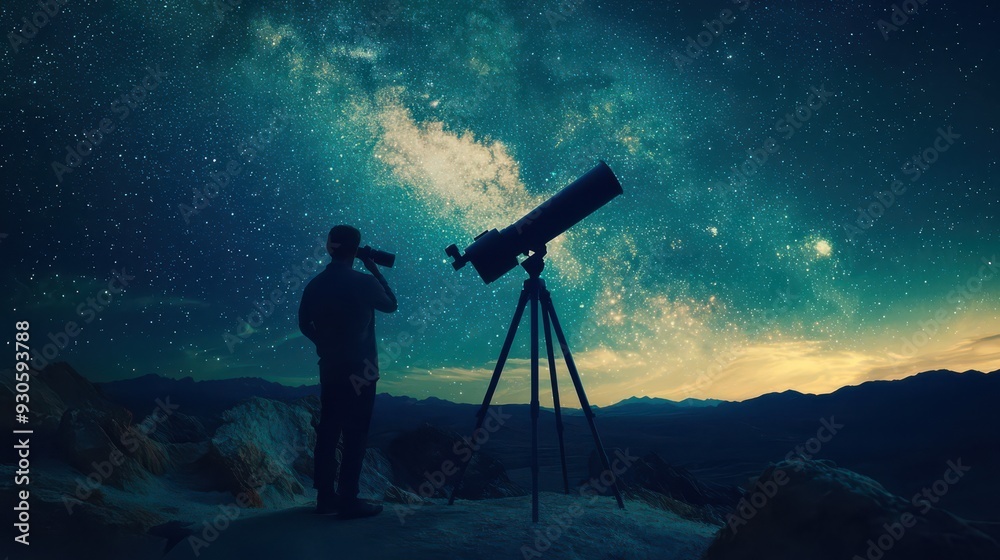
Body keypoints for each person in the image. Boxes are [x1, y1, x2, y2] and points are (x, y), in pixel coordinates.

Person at [298, 225, 397, 519]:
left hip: (331, 368)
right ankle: (348, 499)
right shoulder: (364, 282)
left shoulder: (315, 284)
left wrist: (324, 345)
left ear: (331, 246)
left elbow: (304, 324)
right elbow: (391, 305)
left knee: (328, 432)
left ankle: (325, 498)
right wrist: (374, 270)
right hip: (362, 370)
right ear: (355, 250)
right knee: (355, 436)